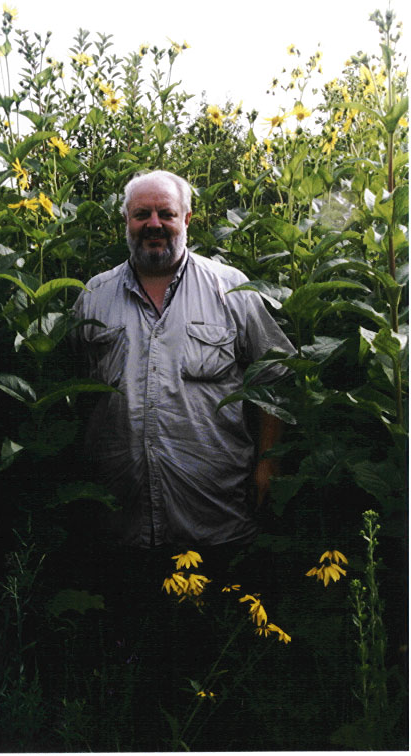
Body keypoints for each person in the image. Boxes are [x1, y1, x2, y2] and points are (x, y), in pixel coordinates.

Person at [72, 169, 292, 563]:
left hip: (215, 519)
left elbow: (274, 374)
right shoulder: (93, 297)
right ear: (127, 221)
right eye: (142, 214)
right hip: (118, 524)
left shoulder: (231, 289)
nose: (153, 224)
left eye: (166, 214)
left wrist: (268, 462)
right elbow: (69, 388)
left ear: (186, 220)